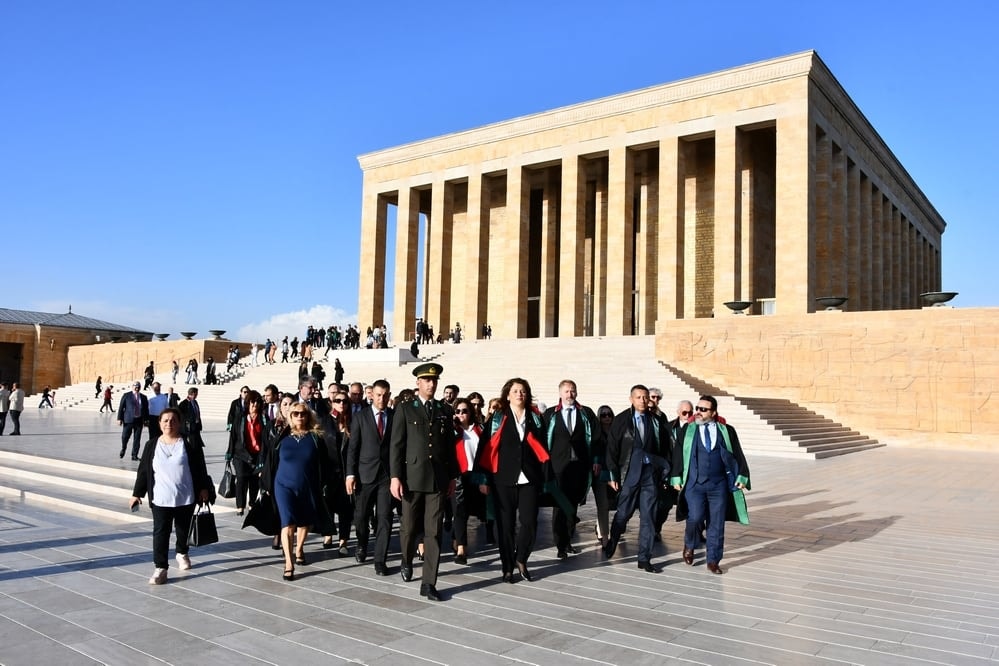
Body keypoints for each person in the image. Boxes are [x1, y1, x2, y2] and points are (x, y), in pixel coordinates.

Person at [390, 362, 458, 602]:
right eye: (427, 380)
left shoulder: (444, 410)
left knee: (434, 532)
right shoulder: (406, 409)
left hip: (438, 479)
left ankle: (429, 582)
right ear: (418, 383)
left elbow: (450, 446)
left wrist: (452, 476)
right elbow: (396, 445)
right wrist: (395, 476)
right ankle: (406, 559)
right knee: (408, 528)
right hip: (412, 477)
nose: (432, 384)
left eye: (435, 380)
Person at [128, 407, 213, 585]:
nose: (169, 423)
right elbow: (144, 471)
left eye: (173, 420)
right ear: (159, 424)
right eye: (165, 420)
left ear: (179, 423)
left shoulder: (188, 443)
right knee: (160, 532)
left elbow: (200, 467)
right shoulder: (152, 445)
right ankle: (160, 567)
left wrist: (204, 487)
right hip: (160, 498)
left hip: (185, 496)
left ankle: (182, 552)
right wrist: (137, 494)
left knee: (183, 529)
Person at [476, 377, 548, 584]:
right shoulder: (498, 418)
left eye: (523, 391)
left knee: (529, 522)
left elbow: (544, 447)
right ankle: (507, 567)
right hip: (503, 479)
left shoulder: (535, 418)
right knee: (505, 526)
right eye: (515, 391)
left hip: (529, 478)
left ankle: (521, 558)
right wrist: (483, 478)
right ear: (507, 395)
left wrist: (545, 476)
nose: (519, 394)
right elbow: (485, 448)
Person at [671, 395, 750, 575]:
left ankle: (713, 560)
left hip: (718, 485)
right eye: (697, 408)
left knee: (716, 523)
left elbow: (737, 453)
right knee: (696, 517)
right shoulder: (688, 430)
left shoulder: (726, 431)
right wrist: (676, 476)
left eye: (703, 409)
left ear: (713, 413)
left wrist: (742, 475)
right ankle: (689, 544)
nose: (698, 412)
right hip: (694, 483)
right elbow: (677, 453)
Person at [261, 404, 334, 581]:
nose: (300, 416)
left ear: (308, 416)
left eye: (303, 413)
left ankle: (299, 548)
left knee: (304, 521)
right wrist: (267, 484)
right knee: (287, 523)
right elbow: (271, 461)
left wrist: (323, 485)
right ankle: (288, 562)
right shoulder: (282, 437)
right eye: (296, 414)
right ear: (290, 417)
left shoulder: (315, 438)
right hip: (283, 485)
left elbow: (325, 464)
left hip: (307, 485)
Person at [603, 384, 671, 573]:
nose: (642, 400)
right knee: (623, 513)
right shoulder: (621, 420)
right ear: (631, 399)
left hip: (650, 475)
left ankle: (644, 558)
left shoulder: (656, 420)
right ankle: (613, 539)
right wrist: (612, 474)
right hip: (630, 474)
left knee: (649, 517)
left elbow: (665, 447)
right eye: (638, 397)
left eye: (645, 397)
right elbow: (612, 448)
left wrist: (665, 471)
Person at [542, 380, 602, 561]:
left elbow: (597, 438)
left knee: (573, 506)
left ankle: (568, 540)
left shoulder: (586, 413)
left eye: (573, 391)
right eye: (567, 391)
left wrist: (596, 460)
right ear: (560, 393)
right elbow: (543, 440)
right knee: (559, 506)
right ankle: (560, 545)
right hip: (558, 467)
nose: (570, 395)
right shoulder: (551, 414)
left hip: (579, 466)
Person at [345, 378, 394, 575]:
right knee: (362, 516)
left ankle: (380, 560)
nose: (381, 399)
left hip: (387, 476)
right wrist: (350, 474)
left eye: (385, 395)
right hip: (365, 475)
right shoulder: (360, 417)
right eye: (378, 395)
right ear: (371, 394)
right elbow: (353, 448)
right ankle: (362, 544)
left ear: (389, 396)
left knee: (384, 518)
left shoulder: (394, 415)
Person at [451, 397, 486, 565]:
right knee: (460, 511)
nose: (461, 414)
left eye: (464, 411)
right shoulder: (452, 430)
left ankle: (455, 538)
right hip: (459, 475)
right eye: (457, 411)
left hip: (477, 475)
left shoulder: (479, 429)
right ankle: (461, 549)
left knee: (472, 510)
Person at [226, 390, 268, 517]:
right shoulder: (240, 418)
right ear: (247, 403)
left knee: (254, 480)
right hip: (241, 454)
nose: (254, 404)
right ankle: (240, 505)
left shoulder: (264, 419)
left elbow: (265, 439)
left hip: (257, 455)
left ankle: (252, 503)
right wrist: (229, 453)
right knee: (241, 478)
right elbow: (233, 436)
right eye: (252, 402)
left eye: (257, 402)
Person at [593, 405, 615, 546]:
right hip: (600, 472)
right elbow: (593, 449)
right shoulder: (596, 433)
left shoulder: (616, 432)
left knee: (613, 503)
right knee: (603, 504)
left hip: (614, 471)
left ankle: (599, 526)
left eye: (609, 414)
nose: (607, 417)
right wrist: (595, 462)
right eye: (603, 415)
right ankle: (605, 537)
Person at [118, 381, 150, 461]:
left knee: (137, 439)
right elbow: (121, 407)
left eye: (138, 386)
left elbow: (146, 410)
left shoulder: (143, 397)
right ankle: (123, 448)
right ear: (132, 387)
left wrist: (146, 420)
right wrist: (119, 418)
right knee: (125, 436)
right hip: (128, 420)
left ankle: (134, 455)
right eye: (135, 386)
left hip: (139, 420)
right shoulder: (126, 395)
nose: (137, 388)